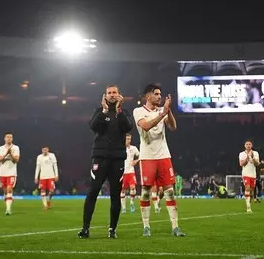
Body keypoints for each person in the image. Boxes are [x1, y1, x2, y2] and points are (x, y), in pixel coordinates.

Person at [78, 85, 134, 239]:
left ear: (119, 95)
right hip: (100, 157)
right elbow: (93, 127)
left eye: (114, 92)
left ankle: (112, 229)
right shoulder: (99, 112)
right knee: (92, 192)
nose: (112, 95)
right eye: (109, 93)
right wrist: (103, 112)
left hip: (117, 159)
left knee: (115, 195)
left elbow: (128, 127)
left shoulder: (124, 112)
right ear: (105, 96)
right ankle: (85, 229)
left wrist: (118, 110)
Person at [133, 84, 185, 237]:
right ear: (147, 96)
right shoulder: (139, 111)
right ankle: (146, 226)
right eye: (156, 94)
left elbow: (173, 127)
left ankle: (175, 227)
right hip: (147, 157)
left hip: (164, 156)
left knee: (169, 192)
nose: (159, 96)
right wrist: (163, 113)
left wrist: (167, 111)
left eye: (160, 94)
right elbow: (146, 126)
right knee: (146, 192)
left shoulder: (161, 111)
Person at [0, 132, 20, 215]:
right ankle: (8, 198)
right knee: (5, 191)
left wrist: (11, 154)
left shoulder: (16, 148)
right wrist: (6, 153)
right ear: (4, 138)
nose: (9, 138)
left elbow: (16, 160)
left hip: (12, 172)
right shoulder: (0, 148)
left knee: (9, 189)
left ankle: (8, 209)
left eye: (10, 137)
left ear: (12, 139)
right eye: (7, 137)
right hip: (2, 172)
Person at [238, 139, 260, 213]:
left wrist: (253, 158)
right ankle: (248, 207)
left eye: (249, 144)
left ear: (252, 145)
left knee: (251, 192)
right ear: (244, 146)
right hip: (245, 173)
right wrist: (247, 158)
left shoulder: (255, 153)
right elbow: (241, 164)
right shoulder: (241, 154)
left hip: (253, 174)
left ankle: (249, 203)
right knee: (247, 188)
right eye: (247, 144)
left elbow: (257, 164)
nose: (248, 145)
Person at [121, 134, 140, 214]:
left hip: (131, 172)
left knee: (133, 187)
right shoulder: (120, 148)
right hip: (122, 173)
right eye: (127, 139)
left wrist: (136, 161)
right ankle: (124, 207)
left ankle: (132, 203)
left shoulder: (133, 148)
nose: (129, 140)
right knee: (122, 190)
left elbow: (141, 156)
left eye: (130, 139)